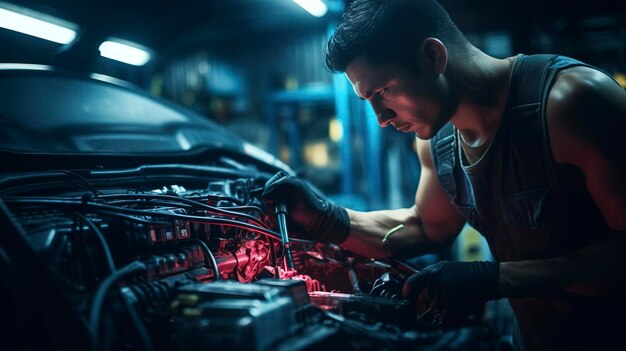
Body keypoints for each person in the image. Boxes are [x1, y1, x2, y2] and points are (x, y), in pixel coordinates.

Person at [262, 0, 626, 349]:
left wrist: (494, 279)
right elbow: (426, 226)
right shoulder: (438, 142)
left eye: (383, 91)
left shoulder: (571, 105)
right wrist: (325, 218)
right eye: (368, 100)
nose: (381, 118)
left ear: (433, 56)